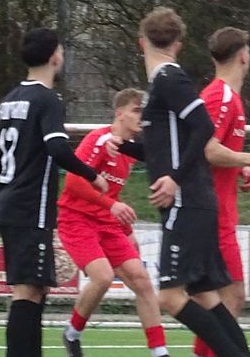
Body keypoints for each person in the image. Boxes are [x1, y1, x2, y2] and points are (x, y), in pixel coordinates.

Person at [137, 7, 250, 357]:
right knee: (207, 295)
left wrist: (174, 178)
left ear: (141, 43)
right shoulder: (163, 82)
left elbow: (202, 128)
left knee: (170, 297)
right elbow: (168, 146)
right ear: (179, 44)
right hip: (195, 201)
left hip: (186, 202)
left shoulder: (169, 78)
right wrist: (123, 144)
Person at [0, 28, 108, 357]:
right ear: (55, 56)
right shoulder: (47, 99)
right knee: (28, 291)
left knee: (35, 289)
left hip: (7, 202)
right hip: (30, 208)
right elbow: (57, 147)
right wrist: (92, 175)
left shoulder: (9, 99)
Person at [56, 88, 169, 357]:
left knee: (142, 281)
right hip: (76, 218)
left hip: (106, 223)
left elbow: (112, 194)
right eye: (136, 110)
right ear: (119, 113)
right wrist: (111, 205)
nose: (141, 117)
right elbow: (73, 182)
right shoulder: (99, 139)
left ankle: (159, 351)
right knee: (103, 277)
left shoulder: (128, 150)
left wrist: (126, 230)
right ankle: (72, 332)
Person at [192, 27, 250, 357]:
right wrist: (249, 158)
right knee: (230, 297)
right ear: (243, 56)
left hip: (218, 214)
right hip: (212, 217)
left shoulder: (227, 97)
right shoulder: (221, 97)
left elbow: (212, 150)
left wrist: (239, 166)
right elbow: (206, 148)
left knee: (218, 300)